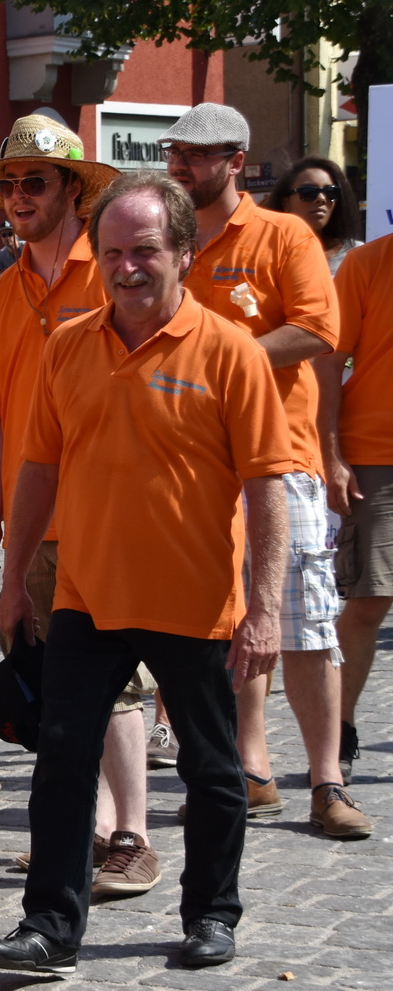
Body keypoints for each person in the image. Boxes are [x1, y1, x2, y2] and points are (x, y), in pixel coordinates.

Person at [0, 171, 292, 974]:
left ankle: (212, 912)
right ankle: (49, 925)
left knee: (212, 767)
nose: (126, 268)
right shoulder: (68, 344)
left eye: (145, 250)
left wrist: (264, 608)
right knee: (62, 761)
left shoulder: (230, 353)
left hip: (194, 601)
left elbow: (265, 486)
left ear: (183, 251)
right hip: (87, 593)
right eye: (112, 252)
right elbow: (38, 469)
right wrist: (15, 579)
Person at [0, 116, 158, 896]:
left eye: (33, 182)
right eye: (7, 185)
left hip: (112, 509)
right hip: (42, 520)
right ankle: (97, 826)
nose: (16, 197)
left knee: (117, 674)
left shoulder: (110, 273)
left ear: (75, 190)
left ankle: (135, 834)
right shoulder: (5, 291)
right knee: (66, 675)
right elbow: (0, 415)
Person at [161, 103, 362, 833]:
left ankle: (329, 780)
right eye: (173, 152)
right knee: (216, 623)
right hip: (190, 461)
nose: (179, 165)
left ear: (236, 161)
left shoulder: (283, 235)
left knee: (304, 621)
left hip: (281, 458)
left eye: (195, 154)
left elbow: (317, 329)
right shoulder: (169, 240)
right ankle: (248, 769)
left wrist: (219, 363)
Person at [317, 232, 388, 832]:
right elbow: (329, 359)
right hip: (378, 456)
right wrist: (333, 454)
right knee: (368, 600)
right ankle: (334, 741)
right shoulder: (369, 263)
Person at [266, 156, 363, 275]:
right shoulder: (263, 254)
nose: (321, 199)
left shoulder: (357, 254)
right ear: (285, 203)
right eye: (308, 192)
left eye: (330, 192)